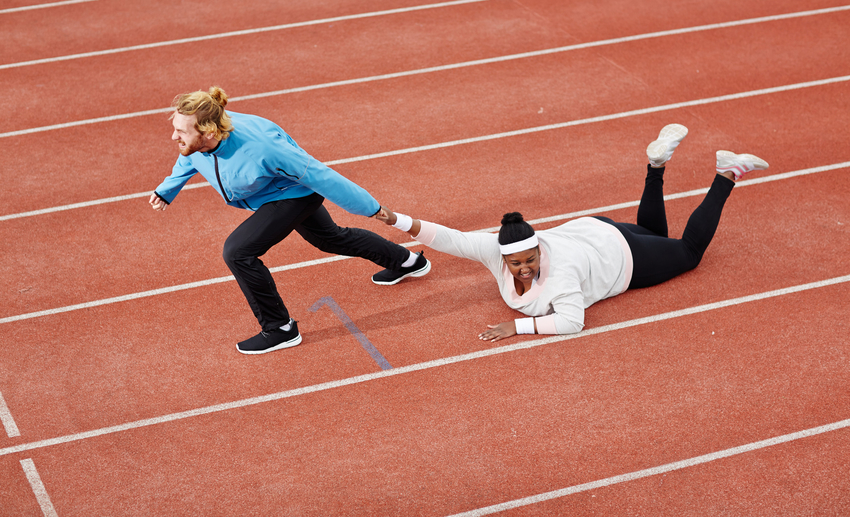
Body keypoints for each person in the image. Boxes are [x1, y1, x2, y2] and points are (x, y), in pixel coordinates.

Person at [374, 124, 769, 342]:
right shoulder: (496, 248)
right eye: (517, 263)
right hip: (596, 230)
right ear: (503, 255)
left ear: (538, 252)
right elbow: (449, 238)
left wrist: (519, 326)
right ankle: (656, 163)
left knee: (687, 252)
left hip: (619, 257)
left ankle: (727, 172)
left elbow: (572, 322)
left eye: (531, 260)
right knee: (653, 230)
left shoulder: (558, 275)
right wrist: (398, 221)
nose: (525, 268)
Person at [150, 87, 430, 354]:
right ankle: (406, 262)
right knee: (330, 238)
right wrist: (168, 188)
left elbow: (322, 176)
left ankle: (280, 329)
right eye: (175, 128)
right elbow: (190, 155)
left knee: (238, 252)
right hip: (271, 194)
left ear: (209, 131)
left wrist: (372, 208)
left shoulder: (263, 149)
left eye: (180, 131)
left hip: (295, 195)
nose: (174, 137)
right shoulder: (201, 138)